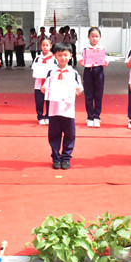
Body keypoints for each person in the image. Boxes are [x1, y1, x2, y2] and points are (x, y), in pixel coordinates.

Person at [40, 42, 83, 170]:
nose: (63, 58)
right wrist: (44, 89)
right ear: (55, 56)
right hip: (54, 110)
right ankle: (55, 158)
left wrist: (78, 89)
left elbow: (79, 88)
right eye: (59, 55)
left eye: (65, 55)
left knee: (70, 135)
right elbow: (45, 87)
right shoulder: (51, 72)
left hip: (68, 110)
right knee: (54, 135)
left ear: (70, 55)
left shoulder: (73, 73)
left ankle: (66, 158)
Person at [80, 26, 109, 128]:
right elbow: (82, 61)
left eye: (96, 36)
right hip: (88, 71)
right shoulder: (85, 49)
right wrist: (82, 62)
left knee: (98, 95)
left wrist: (105, 63)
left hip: (99, 71)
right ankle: (90, 117)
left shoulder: (102, 49)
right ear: (89, 37)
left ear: (100, 37)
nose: (94, 38)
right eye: (92, 36)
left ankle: (97, 116)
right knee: (88, 95)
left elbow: (105, 63)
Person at [32, 37, 56, 125]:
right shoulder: (38, 58)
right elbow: (34, 68)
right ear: (40, 46)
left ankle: (48, 116)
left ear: (50, 46)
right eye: (43, 45)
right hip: (39, 83)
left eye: (47, 45)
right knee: (39, 101)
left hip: (50, 84)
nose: (45, 47)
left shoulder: (54, 58)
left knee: (49, 101)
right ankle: (40, 116)